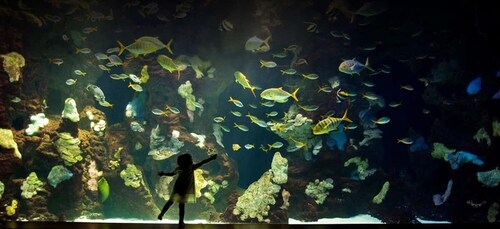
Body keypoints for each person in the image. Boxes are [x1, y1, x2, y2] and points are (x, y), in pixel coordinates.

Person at [157, 153, 217, 226]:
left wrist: (163, 174)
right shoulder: (191, 167)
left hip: (177, 187)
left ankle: (162, 214)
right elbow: (202, 162)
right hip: (185, 188)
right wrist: (211, 158)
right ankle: (181, 222)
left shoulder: (179, 168)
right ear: (188, 161)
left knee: (170, 201)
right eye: (190, 159)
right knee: (181, 205)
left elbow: (172, 174)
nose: (192, 160)